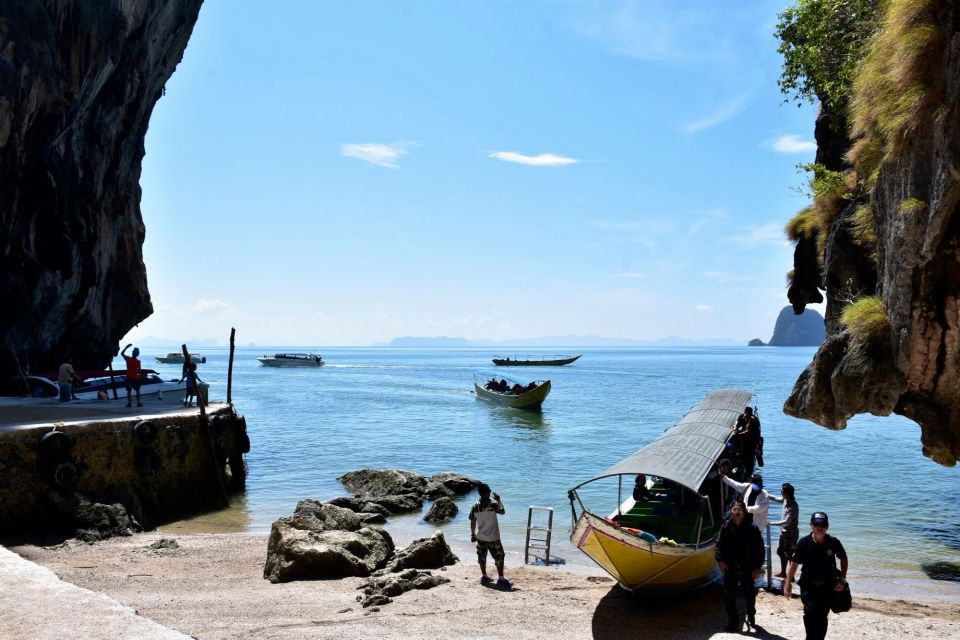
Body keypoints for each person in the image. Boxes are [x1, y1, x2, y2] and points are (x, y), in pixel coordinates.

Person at [785, 512, 848, 640]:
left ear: (827, 526)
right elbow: (794, 565)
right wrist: (787, 584)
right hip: (808, 586)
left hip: (827, 586)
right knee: (810, 614)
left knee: (822, 616)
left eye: (823, 524)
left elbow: (844, 558)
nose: (820, 527)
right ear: (811, 525)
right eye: (816, 524)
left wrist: (842, 578)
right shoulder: (803, 543)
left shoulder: (833, 542)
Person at [716, 500, 765, 632]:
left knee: (749, 595)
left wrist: (757, 567)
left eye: (740, 510)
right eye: (734, 510)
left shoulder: (752, 529)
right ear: (731, 511)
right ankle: (733, 622)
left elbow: (760, 549)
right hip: (730, 567)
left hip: (747, 567)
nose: (737, 513)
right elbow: (719, 545)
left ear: (744, 512)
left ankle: (751, 615)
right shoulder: (726, 527)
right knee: (728, 596)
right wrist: (720, 560)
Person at [468, 483, 511, 589]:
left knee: (482, 556)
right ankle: (501, 579)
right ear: (487, 493)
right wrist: (499, 500)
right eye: (489, 491)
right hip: (493, 537)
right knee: (500, 556)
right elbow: (502, 511)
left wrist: (473, 534)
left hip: (481, 536)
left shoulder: (475, 506)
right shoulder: (492, 504)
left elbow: (473, 521)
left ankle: (484, 576)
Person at [769, 483, 800, 579]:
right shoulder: (786, 500)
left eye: (781, 491)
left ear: (786, 494)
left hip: (790, 535)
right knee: (782, 553)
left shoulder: (793, 507)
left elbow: (786, 522)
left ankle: (791, 576)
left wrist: (771, 523)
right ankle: (783, 573)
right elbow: (777, 499)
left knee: (790, 555)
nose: (780, 492)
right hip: (783, 533)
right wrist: (766, 494)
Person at [730, 407, 761, 479]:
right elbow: (737, 422)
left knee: (750, 458)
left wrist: (737, 434)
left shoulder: (754, 421)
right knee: (737, 449)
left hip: (752, 440)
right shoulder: (742, 416)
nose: (746, 417)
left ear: (751, 415)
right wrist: (735, 428)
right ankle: (736, 464)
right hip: (744, 439)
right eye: (745, 415)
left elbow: (747, 431)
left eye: (748, 416)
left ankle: (748, 474)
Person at [121, 343, 143, 407]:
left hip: (129, 378)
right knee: (137, 391)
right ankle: (138, 403)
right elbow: (140, 371)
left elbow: (122, 353)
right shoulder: (138, 361)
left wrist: (126, 347)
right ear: (137, 354)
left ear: (133, 353)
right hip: (135, 378)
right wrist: (141, 378)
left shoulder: (128, 359)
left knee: (129, 391)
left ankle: (129, 403)